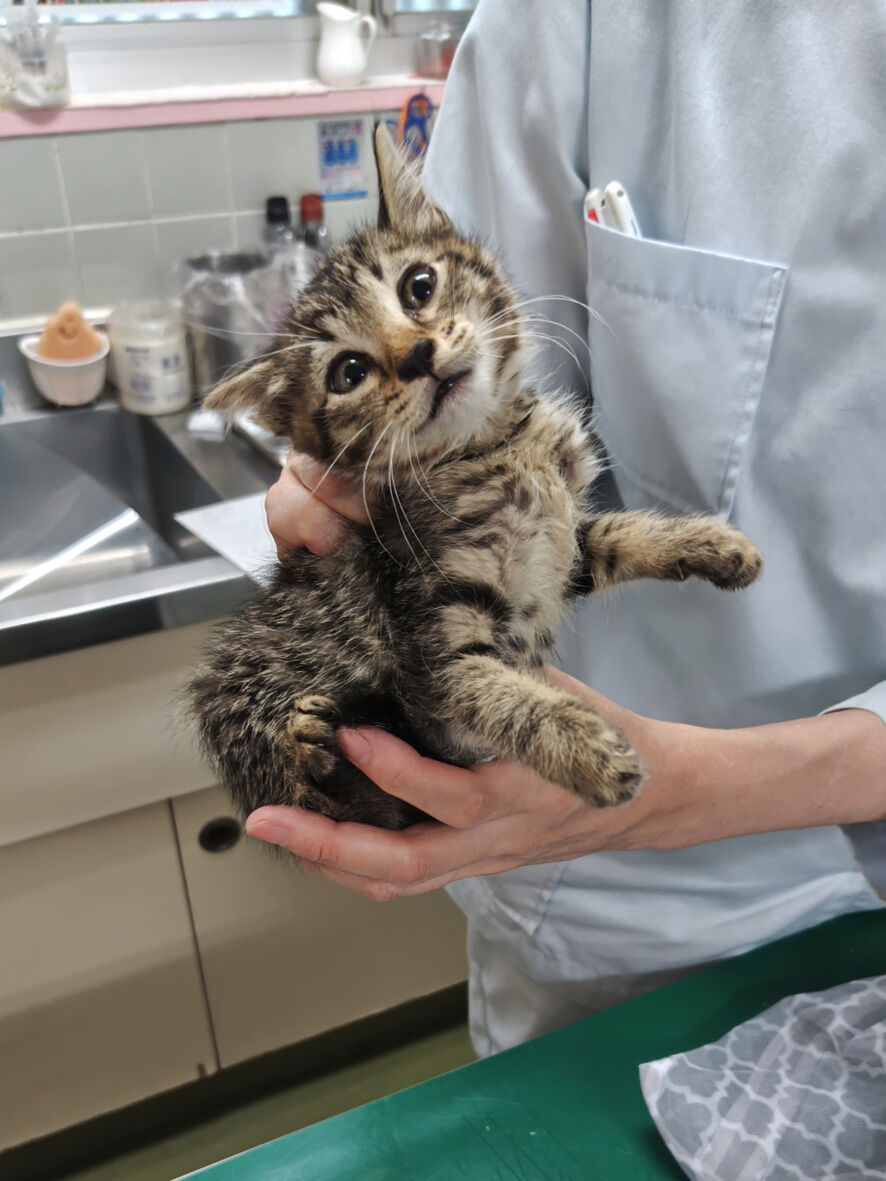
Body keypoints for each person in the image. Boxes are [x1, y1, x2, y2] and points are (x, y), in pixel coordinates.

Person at [246, 0, 886, 1056]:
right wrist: (337, 482)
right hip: (605, 900)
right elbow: (466, 347)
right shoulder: (582, 21)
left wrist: (686, 786)